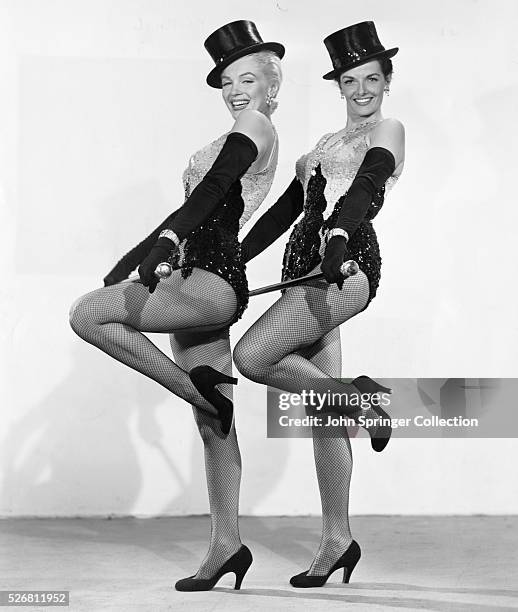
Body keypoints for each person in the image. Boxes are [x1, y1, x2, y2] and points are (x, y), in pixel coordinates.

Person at [69, 20, 284, 591]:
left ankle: (202, 390)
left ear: (270, 84)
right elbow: (192, 211)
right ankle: (226, 547)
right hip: (196, 281)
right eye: (226, 82)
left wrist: (165, 244)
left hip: (210, 284)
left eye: (246, 78)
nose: (236, 90)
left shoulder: (255, 126)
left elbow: (213, 192)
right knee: (215, 428)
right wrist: (129, 261)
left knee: (86, 314)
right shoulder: (239, 126)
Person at [232, 21, 405, 587]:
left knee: (253, 357)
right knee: (323, 417)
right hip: (301, 273)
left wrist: (337, 237)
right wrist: (233, 258)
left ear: (386, 81)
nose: (361, 92)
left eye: (371, 79)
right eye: (350, 81)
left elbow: (368, 186)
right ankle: (337, 540)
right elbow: (284, 213)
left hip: (344, 268)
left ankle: (361, 399)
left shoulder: (389, 131)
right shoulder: (324, 146)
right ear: (339, 86)